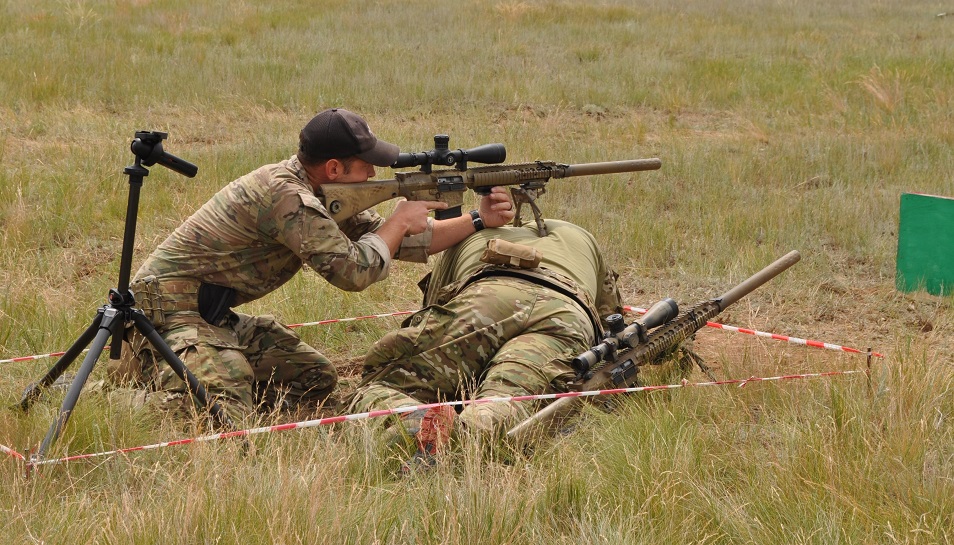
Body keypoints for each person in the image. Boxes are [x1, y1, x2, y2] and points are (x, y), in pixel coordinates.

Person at [109, 108, 515, 422]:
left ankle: (206, 379)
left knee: (314, 378)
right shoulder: (288, 198)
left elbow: (401, 242)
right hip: (166, 316)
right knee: (223, 410)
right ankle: (119, 398)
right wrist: (397, 221)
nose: (374, 174)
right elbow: (354, 271)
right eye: (365, 166)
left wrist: (479, 220)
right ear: (334, 169)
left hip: (209, 315)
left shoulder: (321, 192)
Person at [346, 218, 624, 461]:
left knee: (383, 383)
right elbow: (610, 323)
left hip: (487, 296)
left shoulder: (464, 235)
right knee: (508, 397)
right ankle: (472, 431)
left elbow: (435, 305)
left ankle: (411, 417)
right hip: (566, 310)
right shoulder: (581, 236)